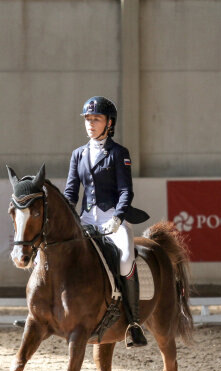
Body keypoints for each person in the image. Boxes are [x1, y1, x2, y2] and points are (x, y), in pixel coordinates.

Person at [64, 96, 148, 348]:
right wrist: (69, 217)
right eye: (88, 119)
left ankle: (133, 323)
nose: (90, 124)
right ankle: (44, 314)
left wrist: (118, 217)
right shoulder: (78, 154)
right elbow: (71, 192)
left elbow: (126, 191)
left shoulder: (119, 153)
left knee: (125, 260)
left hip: (112, 219)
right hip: (86, 220)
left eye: (96, 119)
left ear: (109, 123)